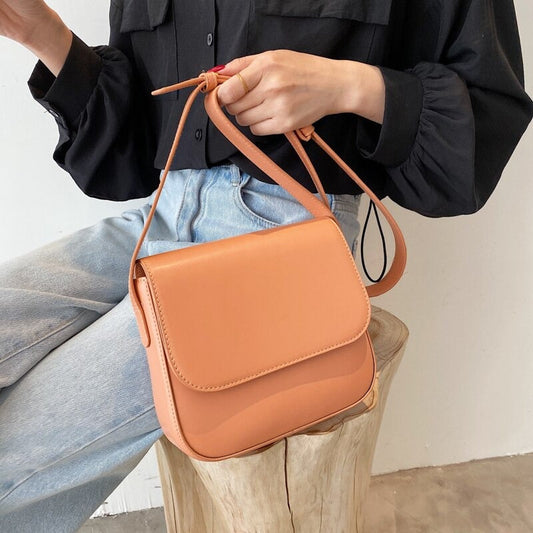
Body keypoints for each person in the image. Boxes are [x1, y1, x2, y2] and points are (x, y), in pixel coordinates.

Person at [0, 0, 531, 531]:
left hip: (288, 230)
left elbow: (485, 112)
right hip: (160, 212)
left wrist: (348, 85)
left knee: (13, 454)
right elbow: (135, 148)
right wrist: (44, 34)